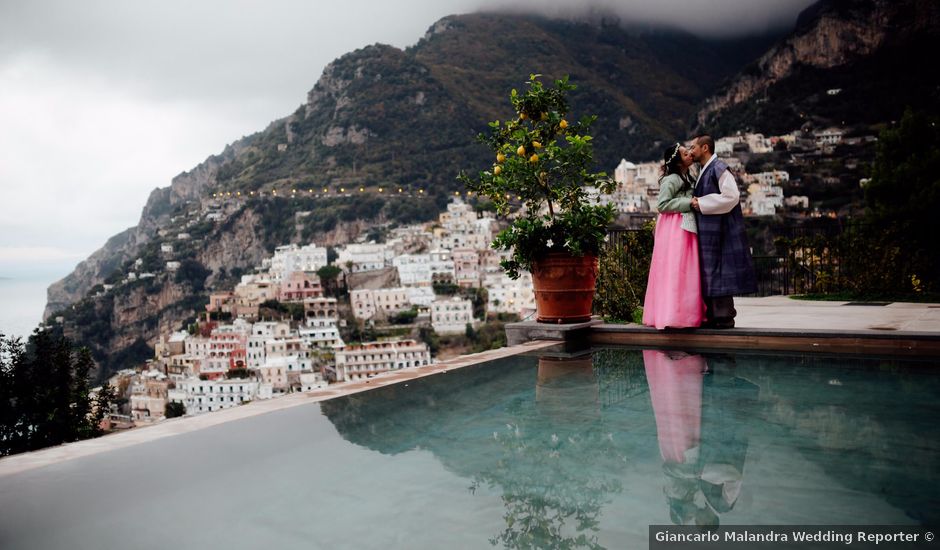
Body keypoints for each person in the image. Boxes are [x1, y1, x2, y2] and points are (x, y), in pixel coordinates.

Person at [689, 134, 757, 328]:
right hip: (710, 231)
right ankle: (713, 316)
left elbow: (731, 196)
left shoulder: (718, 168)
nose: (691, 151)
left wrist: (700, 202)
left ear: (704, 148)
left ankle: (724, 317)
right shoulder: (705, 169)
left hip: (719, 230)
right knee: (710, 272)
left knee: (719, 271)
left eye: (693, 147)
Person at [642, 143, 706, 329]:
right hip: (675, 227)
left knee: (684, 269)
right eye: (686, 154)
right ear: (678, 161)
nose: (690, 155)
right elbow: (662, 205)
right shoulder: (672, 179)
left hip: (682, 225)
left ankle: (683, 313)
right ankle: (674, 315)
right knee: (677, 268)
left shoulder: (686, 176)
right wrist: (688, 202)